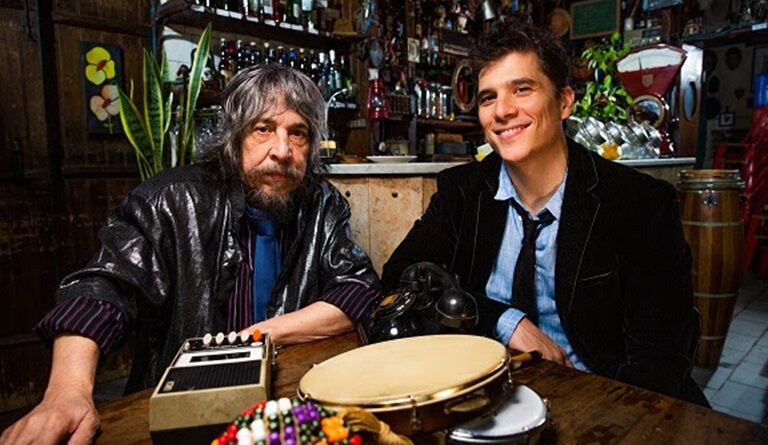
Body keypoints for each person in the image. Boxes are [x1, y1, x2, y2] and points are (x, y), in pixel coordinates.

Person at [2, 64, 382, 445]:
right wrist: (66, 393)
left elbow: (359, 290)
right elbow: (101, 290)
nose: (282, 151)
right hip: (184, 411)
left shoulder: (322, 203)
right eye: (263, 129)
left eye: (297, 133)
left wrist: (259, 335)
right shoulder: (170, 200)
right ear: (235, 136)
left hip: (285, 403)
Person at [382, 21, 707, 406]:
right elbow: (400, 277)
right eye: (488, 98)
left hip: (605, 401)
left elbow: (661, 356)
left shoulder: (639, 202)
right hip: (491, 393)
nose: (503, 111)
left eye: (522, 89)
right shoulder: (463, 191)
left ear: (564, 102)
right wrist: (503, 320)